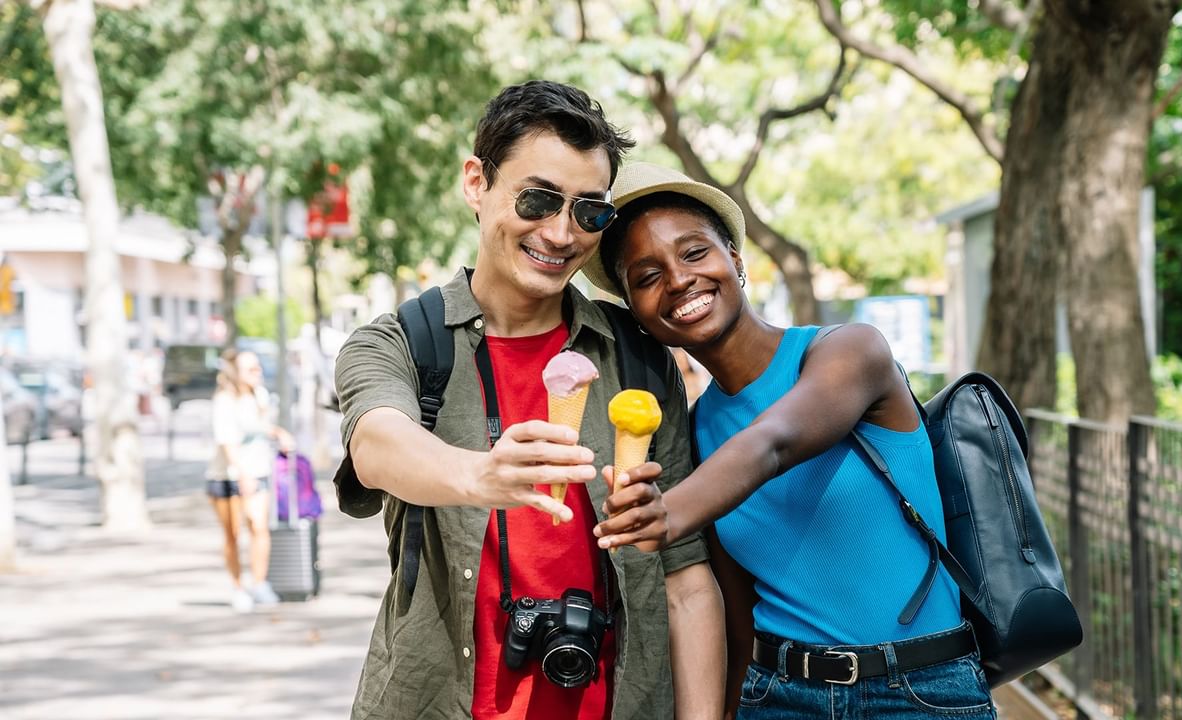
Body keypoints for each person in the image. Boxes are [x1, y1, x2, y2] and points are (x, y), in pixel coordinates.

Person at [332, 81, 724, 720]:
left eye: (589, 211)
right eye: (538, 198)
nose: (562, 232)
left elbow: (684, 578)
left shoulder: (638, 355)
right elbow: (377, 443)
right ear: (477, 185)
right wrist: (477, 474)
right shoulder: (401, 342)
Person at [586, 163, 996, 719]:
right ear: (637, 312)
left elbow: (772, 443)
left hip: (921, 690)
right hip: (777, 695)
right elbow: (738, 611)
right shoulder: (695, 432)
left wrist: (667, 511)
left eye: (693, 252)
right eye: (647, 276)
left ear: (735, 259)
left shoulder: (849, 352)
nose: (678, 280)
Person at [207, 348, 292, 613]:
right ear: (236, 373)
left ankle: (259, 583)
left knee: (258, 527)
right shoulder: (224, 400)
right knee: (232, 533)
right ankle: (238, 587)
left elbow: (258, 426)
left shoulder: (260, 395)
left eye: (258, 368)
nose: (258, 373)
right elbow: (226, 441)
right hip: (228, 476)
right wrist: (241, 473)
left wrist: (278, 432)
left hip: (258, 471)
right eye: (251, 369)